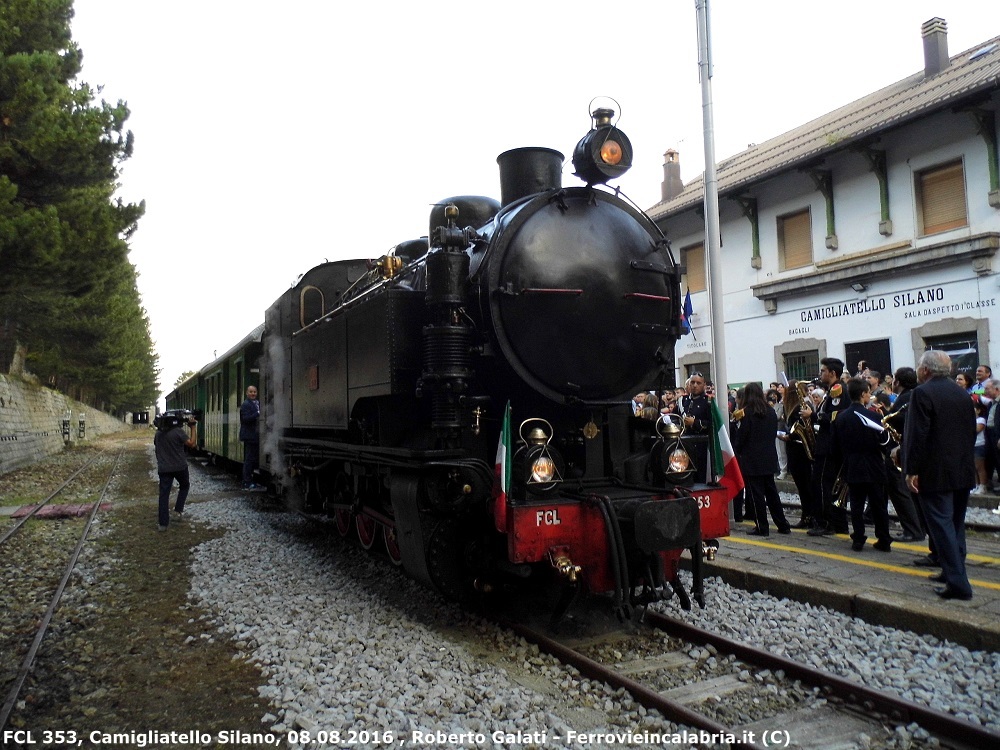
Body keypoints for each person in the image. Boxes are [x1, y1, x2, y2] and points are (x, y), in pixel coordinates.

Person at [903, 350, 976, 601]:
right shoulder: (962, 393)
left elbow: (917, 435)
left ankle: (958, 582)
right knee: (955, 524)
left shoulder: (922, 393)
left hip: (935, 471)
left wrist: (911, 469)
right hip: (962, 468)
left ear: (925, 370)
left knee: (941, 525)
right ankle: (952, 571)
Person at [832, 378, 892, 552]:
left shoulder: (842, 417)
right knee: (878, 504)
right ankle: (884, 538)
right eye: (868, 393)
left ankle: (858, 538)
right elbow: (884, 443)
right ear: (862, 395)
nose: (869, 396)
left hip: (853, 464)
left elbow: (836, 446)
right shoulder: (874, 416)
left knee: (856, 504)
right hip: (874, 464)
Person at [731, 382, 791, 536]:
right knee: (772, 493)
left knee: (756, 494)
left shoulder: (747, 413)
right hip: (769, 457)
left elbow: (742, 437)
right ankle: (783, 524)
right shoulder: (770, 411)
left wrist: (737, 448)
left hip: (752, 459)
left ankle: (762, 526)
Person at [803, 358, 850, 536]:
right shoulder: (832, 390)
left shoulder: (838, 390)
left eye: (823, 371)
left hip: (829, 447)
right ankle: (838, 523)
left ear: (832, 373)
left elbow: (837, 416)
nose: (821, 374)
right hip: (828, 445)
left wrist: (813, 416)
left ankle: (825, 523)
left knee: (822, 484)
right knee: (827, 484)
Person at [883, 367, 926, 544]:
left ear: (898, 382)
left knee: (901, 492)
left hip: (900, 451)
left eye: (894, 379)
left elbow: (903, 420)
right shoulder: (909, 396)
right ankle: (917, 528)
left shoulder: (908, 397)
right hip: (903, 450)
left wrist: (886, 416)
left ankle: (913, 530)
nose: (892, 382)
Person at [153, 410, 197, 531]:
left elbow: (157, 446)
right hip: (179, 467)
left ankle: (163, 524)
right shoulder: (178, 432)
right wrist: (193, 427)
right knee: (184, 485)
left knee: (164, 495)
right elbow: (192, 444)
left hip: (164, 468)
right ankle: (178, 510)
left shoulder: (158, 434)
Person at [240, 385, 261, 490]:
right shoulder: (245, 404)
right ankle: (246, 482)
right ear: (247, 393)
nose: (253, 394)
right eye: (251, 392)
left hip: (255, 435)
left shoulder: (257, 403)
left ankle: (251, 480)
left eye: (255, 392)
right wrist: (257, 414)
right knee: (249, 460)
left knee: (253, 459)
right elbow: (245, 419)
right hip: (249, 435)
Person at [971, 397, 989, 495]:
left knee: (980, 467)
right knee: (973, 467)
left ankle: (983, 485)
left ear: (978, 410)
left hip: (979, 445)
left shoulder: (981, 420)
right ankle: (976, 485)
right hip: (971, 445)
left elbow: (976, 430)